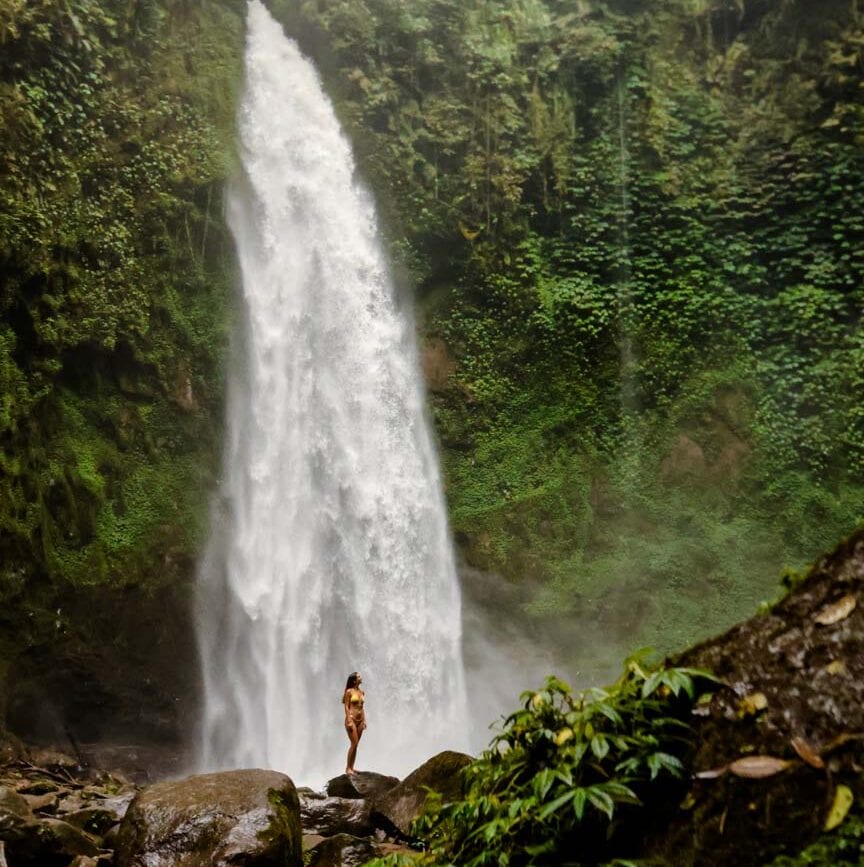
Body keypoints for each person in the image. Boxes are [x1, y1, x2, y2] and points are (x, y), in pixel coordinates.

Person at [342, 672, 366, 775]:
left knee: (356, 745)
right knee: (354, 743)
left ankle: (352, 767)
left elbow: (362, 707)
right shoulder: (349, 692)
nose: (361, 678)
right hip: (351, 719)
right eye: (359, 677)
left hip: (360, 720)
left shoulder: (362, 692)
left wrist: (364, 720)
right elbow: (346, 706)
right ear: (354, 680)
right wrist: (348, 720)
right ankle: (348, 768)